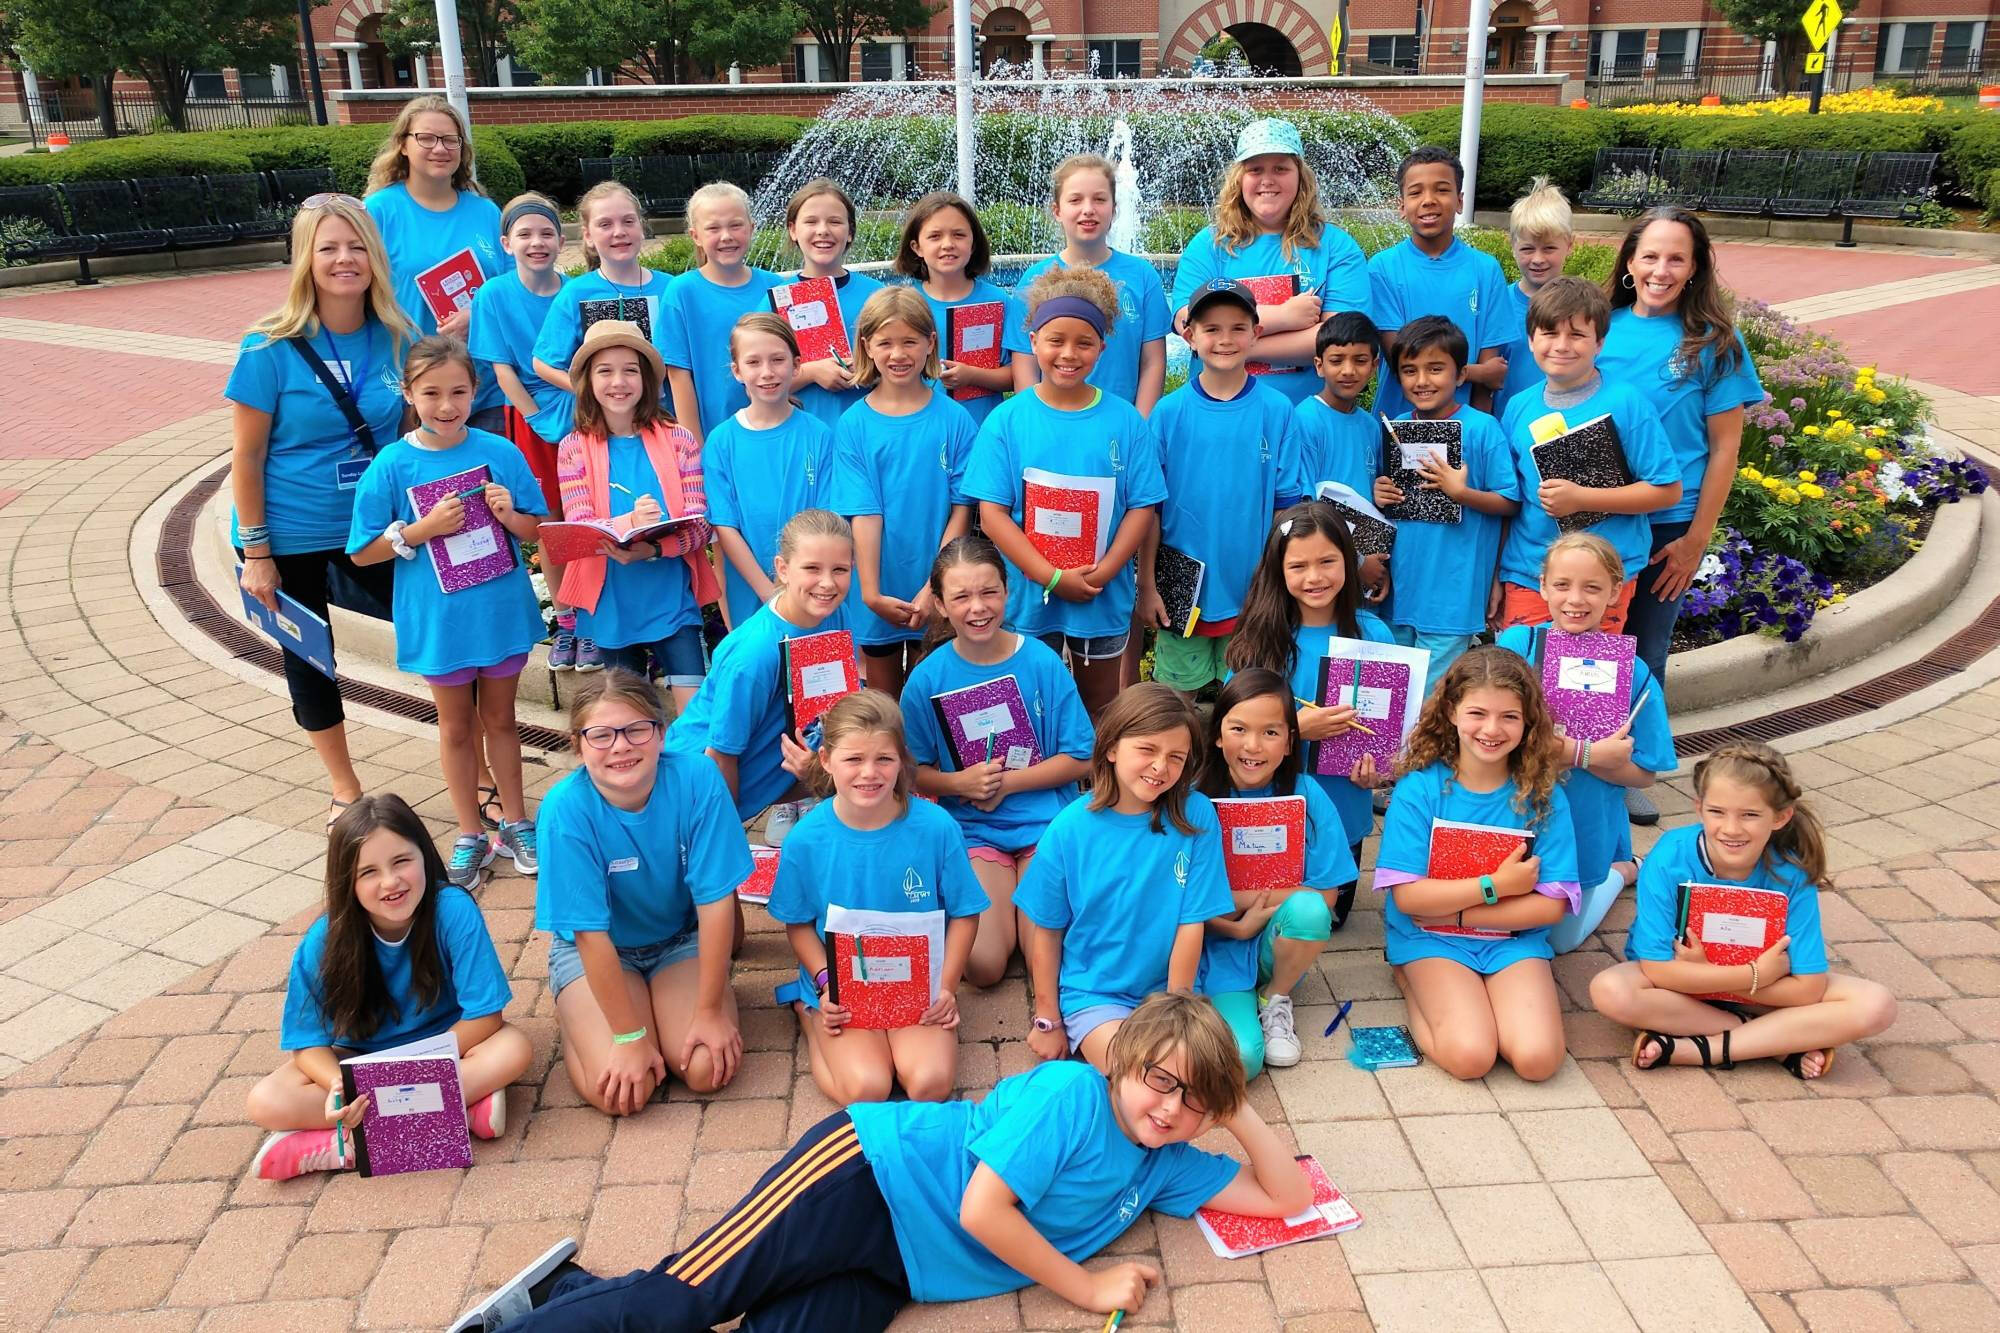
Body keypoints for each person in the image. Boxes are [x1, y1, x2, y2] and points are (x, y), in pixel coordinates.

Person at [452, 994, 1309, 1333]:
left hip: (904, 1266)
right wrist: (1087, 1289)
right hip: (866, 1173)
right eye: (1159, 1081)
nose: (1168, 1107)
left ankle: (565, 1294)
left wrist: (1240, 1111)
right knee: (690, 1296)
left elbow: (1288, 1196)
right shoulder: (1072, 1096)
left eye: (1192, 1100)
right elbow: (983, 1211)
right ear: (1125, 1064)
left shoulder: (1164, 1159)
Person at [226, 194, 411, 829]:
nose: (344, 259)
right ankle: (343, 785)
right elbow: (245, 459)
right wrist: (257, 555)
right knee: (311, 660)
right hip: (289, 532)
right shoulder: (267, 346)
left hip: (371, 529)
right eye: (328, 247)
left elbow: (406, 439)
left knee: (432, 629)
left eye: (357, 245)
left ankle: (475, 763)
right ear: (305, 257)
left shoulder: (395, 335)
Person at [347, 337, 546, 888]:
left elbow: (537, 529)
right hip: (441, 622)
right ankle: (469, 833)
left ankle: (516, 821)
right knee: (456, 727)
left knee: (503, 720)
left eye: (458, 391)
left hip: (499, 610)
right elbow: (362, 550)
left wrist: (511, 518)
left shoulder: (500, 451)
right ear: (409, 393)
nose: (447, 405)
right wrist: (421, 530)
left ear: (474, 390)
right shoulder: (393, 463)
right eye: (431, 393)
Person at [247, 794, 530, 1180]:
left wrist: (416, 1066)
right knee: (265, 1101)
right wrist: (337, 1085)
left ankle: (343, 1143)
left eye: (402, 861)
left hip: (446, 1047)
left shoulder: (452, 909)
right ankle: (458, 1112)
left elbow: (486, 1015)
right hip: (361, 1061)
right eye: (369, 872)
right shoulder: (324, 940)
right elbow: (307, 1043)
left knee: (514, 1048)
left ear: (425, 856)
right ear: (347, 881)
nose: (391, 882)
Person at [1599, 208, 1766, 829]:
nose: (1660, 270)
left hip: (1670, 523)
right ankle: (1584, 755)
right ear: (1630, 261)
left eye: (1676, 258)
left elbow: (1725, 447)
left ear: (1695, 267)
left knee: (1645, 647)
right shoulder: (1602, 328)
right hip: (1601, 518)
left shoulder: (1714, 343)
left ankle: (1632, 769)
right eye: (1650, 256)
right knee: (1592, 642)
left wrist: (1698, 538)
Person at [1591, 742, 1896, 1079]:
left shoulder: (1791, 871)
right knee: (1611, 991)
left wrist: (1729, 979)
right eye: (1717, 812)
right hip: (1686, 987)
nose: (1732, 829)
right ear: (1699, 808)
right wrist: (1753, 975)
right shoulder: (1669, 855)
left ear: (1780, 817)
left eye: (1750, 815)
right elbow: (1657, 970)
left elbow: (1808, 987)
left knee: (1876, 1005)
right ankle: (1774, 1041)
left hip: (1740, 988)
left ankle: (1698, 1049)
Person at [536, 671, 752, 1114]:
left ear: (661, 733)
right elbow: (589, 934)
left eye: (637, 729)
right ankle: (582, 1013)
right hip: (600, 950)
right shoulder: (564, 809)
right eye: (601, 735)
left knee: (706, 1069)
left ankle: (665, 1009)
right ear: (578, 746)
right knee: (619, 1093)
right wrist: (629, 1037)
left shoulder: (698, 778)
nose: (621, 746)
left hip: (678, 938)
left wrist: (710, 1010)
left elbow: (715, 905)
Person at [964, 266, 1165, 718]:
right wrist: (1051, 577)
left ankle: (1096, 785)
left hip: (1101, 593)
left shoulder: (1125, 420)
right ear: (1033, 341)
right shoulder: (1008, 421)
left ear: (1102, 348)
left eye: (1084, 342)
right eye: (1055, 340)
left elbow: (1143, 505)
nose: (1068, 354)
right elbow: (992, 514)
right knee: (1028, 705)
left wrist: (1106, 571)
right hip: (1029, 598)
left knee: (1101, 705)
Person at [770, 691, 988, 1105]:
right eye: (853, 759)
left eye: (883, 759)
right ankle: (809, 1014)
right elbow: (797, 924)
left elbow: (965, 913)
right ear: (827, 761)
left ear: (902, 761)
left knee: (930, 1085)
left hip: (918, 983)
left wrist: (946, 989)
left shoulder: (937, 827)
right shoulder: (805, 840)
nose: (869, 773)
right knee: (867, 1089)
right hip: (842, 984)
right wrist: (824, 984)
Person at [1374, 647, 1581, 1082]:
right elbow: (1410, 898)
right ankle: (1409, 980)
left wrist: (1460, 912)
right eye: (1477, 713)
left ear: (1528, 721)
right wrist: (1497, 885)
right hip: (1430, 937)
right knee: (1471, 1057)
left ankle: (1479, 999)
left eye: (1509, 716)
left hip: (1512, 940)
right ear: (1451, 712)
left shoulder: (1544, 797)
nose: (1492, 729)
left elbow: (1549, 907)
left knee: (1538, 1061)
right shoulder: (1420, 791)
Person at [902, 536, 1095, 988]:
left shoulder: (1041, 662)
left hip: (1043, 823)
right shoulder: (927, 679)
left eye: (989, 592)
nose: (978, 608)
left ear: (1007, 591)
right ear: (940, 605)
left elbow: (1082, 758)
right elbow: (910, 771)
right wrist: (959, 785)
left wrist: (1008, 784)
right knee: (985, 966)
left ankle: (1017, 915)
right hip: (974, 830)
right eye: (961, 597)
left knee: (1046, 957)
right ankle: (995, 909)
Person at [1016, 684, 1234, 1071]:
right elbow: (1046, 931)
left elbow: (1191, 923)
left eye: (1176, 757)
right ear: (1112, 748)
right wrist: (1048, 1019)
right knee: (1142, 1072)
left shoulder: (1196, 816)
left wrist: (1178, 1013)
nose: (1160, 767)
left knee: (1214, 1069)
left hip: (1171, 991)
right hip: (1096, 995)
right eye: (1147, 750)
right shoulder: (1068, 830)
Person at [1494, 534, 1675, 952]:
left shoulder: (1632, 669)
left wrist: (1582, 757)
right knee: (1507, 917)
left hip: (1585, 822)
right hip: (1511, 813)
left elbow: (1644, 774)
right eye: (1562, 585)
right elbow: (1486, 732)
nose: (1575, 599)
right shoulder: (1516, 647)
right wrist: (1586, 752)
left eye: (1592, 587)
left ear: (1615, 592)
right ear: (1542, 586)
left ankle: (1622, 870)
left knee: (1560, 941)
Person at [1225, 502, 1396, 925]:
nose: (1315, 577)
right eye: (1298, 565)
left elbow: (1387, 734)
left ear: (1348, 560)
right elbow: (1229, 732)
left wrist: (1379, 770)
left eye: (1327, 561)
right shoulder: (1258, 641)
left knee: (1330, 922)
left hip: (1343, 812)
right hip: (1266, 814)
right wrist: (1295, 730)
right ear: (1278, 570)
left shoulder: (1373, 634)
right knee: (1259, 911)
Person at [1141, 278, 1301, 694]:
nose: (1225, 339)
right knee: (1179, 703)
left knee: (1249, 701)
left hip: (1253, 593)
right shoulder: (1168, 414)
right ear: (1189, 336)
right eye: (1211, 329)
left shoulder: (1278, 411)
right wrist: (1147, 585)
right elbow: (1149, 512)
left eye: (1237, 327)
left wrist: (1278, 587)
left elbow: (1286, 510)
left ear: (1256, 334)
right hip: (1182, 595)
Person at [1495, 277, 1680, 635]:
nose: (1561, 346)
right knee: (1520, 678)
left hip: (1601, 580)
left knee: (1587, 685)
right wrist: (1495, 574)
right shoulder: (1518, 407)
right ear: (1531, 339)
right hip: (1529, 572)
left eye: (1577, 335)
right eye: (1549, 334)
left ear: (1599, 343)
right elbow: (1509, 499)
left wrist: (1582, 498)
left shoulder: (1627, 403)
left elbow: (1666, 490)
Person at [1196, 669, 1354, 1074]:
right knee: (1242, 1063)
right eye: (1238, 729)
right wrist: (1241, 915)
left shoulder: (1307, 794)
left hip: (1272, 938)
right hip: (1212, 946)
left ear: (1289, 742)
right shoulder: (1194, 798)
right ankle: (1220, 1003)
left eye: (1270, 732)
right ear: (1217, 734)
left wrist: (1254, 907)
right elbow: (1178, 898)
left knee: (1309, 912)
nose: (1253, 745)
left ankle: (1275, 998)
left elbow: (1325, 899)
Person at [554, 320, 717, 709]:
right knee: (630, 714)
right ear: (588, 381)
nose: (618, 381)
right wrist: (630, 522)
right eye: (605, 371)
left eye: (630, 370)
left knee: (694, 711)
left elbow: (701, 525)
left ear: (646, 379)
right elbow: (580, 528)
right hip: (611, 601)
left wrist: (653, 550)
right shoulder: (573, 448)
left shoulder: (680, 440)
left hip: (671, 597)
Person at [828, 287, 976, 696]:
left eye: (910, 341)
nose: (898, 354)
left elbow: (961, 511)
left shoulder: (955, 419)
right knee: (884, 706)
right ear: (867, 346)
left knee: (938, 700)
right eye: (886, 343)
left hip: (942, 588)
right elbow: (865, 513)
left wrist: (935, 588)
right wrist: (872, 593)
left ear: (930, 343)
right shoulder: (854, 425)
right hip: (878, 587)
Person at [666, 508, 855, 824]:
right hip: (692, 798)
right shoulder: (754, 654)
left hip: (766, 778)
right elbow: (720, 755)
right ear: (782, 568)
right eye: (812, 568)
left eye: (839, 569)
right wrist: (723, 836)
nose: (827, 583)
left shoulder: (836, 615)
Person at [1171, 118, 1370, 403]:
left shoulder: (1336, 248)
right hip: (1218, 414)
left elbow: (1341, 341)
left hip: (1307, 419)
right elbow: (1186, 322)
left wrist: (1232, 347)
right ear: (1239, 179)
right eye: (1255, 169)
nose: (1267, 179)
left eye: (1280, 168)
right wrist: (1285, 318)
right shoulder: (1209, 245)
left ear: (1300, 176)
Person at [1371, 316, 1522, 691]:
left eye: (1435, 369)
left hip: (1452, 595)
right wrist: (1381, 494)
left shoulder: (1483, 428)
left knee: (1429, 702)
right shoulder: (1394, 428)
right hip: (1399, 592)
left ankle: (1425, 753)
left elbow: (1510, 502)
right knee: (1394, 699)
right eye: (1410, 370)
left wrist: (1462, 493)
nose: (1422, 380)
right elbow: (1389, 510)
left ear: (1460, 375)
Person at [470, 192, 580, 666]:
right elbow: (502, 369)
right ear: (506, 242)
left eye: (546, 233)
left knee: (587, 514)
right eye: (525, 234)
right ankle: (568, 622)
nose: (537, 243)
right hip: (529, 416)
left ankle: (595, 620)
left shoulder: (576, 289)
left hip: (582, 414)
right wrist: (535, 417)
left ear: (561, 239)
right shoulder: (493, 294)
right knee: (550, 520)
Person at [362, 95, 507, 431]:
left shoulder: (485, 212)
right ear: (403, 145)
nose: (439, 148)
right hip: (411, 388)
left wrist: (479, 315)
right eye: (426, 138)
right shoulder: (378, 211)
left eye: (449, 140)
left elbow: (511, 288)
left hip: (482, 390)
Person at [1005, 154, 1171, 413]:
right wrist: (1038, 420)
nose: (1088, 209)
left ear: (1114, 209)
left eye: (1099, 199)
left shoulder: (1143, 276)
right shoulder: (1035, 280)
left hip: (1122, 425)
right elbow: (1025, 364)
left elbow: (1153, 362)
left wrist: (1141, 424)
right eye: (1075, 200)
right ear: (1057, 211)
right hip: (1054, 423)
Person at [705, 313, 841, 630]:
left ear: (796, 365)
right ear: (737, 371)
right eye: (753, 362)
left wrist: (799, 590)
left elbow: (826, 520)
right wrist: (772, 595)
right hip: (751, 593)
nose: (767, 372)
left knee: (818, 675)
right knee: (762, 673)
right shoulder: (721, 442)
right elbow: (726, 528)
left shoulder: (819, 435)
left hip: (814, 592)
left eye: (777, 360)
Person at [1366, 146, 1513, 420]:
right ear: (1401, 206)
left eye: (1442, 190)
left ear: (1459, 201)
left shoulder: (1485, 269)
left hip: (1466, 421)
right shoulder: (1382, 269)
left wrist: (1479, 429)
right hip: (1400, 423)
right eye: (1416, 192)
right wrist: (1475, 372)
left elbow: (1489, 375)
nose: (1429, 200)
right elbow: (1401, 362)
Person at [665, 182, 784, 442]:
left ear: (751, 228)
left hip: (776, 433)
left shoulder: (776, 287)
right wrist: (694, 449)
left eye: (735, 225)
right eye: (713, 228)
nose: (726, 236)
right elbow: (678, 377)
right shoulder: (682, 293)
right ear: (696, 236)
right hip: (714, 436)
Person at [1293, 310, 1391, 601]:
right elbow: (1305, 507)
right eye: (1337, 361)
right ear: (1319, 365)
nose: (1348, 370)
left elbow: (1370, 502)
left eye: (1360, 361)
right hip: (1320, 571)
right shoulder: (1306, 420)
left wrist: (1374, 568)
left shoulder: (1370, 425)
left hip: (1364, 573)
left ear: (1374, 366)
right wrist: (1357, 562)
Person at [894, 191, 1013, 425]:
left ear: (973, 243)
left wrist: (972, 376)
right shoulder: (903, 303)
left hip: (982, 428)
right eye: (935, 236)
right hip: (921, 428)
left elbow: (1016, 376)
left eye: (959, 235)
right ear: (917, 247)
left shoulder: (997, 301)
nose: (948, 245)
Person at [782, 177, 885, 428]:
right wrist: (812, 372)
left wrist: (868, 369)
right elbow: (756, 382)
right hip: (802, 432)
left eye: (835, 222)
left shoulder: (878, 296)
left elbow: (903, 362)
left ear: (850, 232)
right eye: (811, 221)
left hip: (870, 430)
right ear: (793, 230)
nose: (823, 230)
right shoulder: (777, 301)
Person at [1495, 176, 1575, 420]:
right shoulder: (1499, 305)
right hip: (1509, 428)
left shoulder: (1582, 307)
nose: (1538, 259)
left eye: (1549, 248)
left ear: (1570, 245)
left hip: (1567, 425)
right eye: (1528, 249)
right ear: (1513, 246)